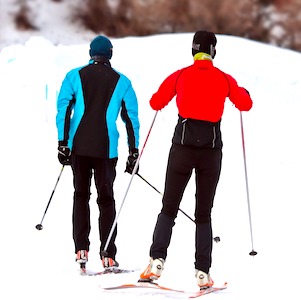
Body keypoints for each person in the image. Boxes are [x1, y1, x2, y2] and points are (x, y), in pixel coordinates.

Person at [140, 31, 253, 289]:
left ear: (193, 50)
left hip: (182, 150)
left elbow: (155, 102)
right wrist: (243, 92)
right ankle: (203, 273)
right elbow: (245, 105)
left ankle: (156, 261)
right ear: (213, 51)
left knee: (169, 207)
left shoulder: (180, 75)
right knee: (203, 213)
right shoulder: (224, 79)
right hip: (211, 154)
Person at [56, 35, 140, 271]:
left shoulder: (73, 76)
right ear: (110, 54)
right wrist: (134, 152)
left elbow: (64, 109)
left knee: (80, 195)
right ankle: (108, 254)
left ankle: (81, 249)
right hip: (106, 149)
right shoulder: (122, 82)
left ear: (91, 53)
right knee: (106, 199)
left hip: (79, 147)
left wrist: (63, 143)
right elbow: (131, 120)